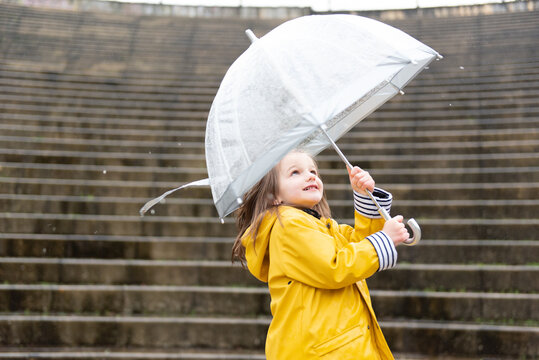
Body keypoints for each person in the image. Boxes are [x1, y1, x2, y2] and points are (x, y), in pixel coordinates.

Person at [233, 150, 409, 360]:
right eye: (295, 173)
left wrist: (365, 197)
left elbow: (358, 245)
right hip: (323, 349)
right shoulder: (288, 225)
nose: (310, 176)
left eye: (313, 171)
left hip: (338, 344)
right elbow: (334, 266)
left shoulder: (321, 225)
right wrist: (385, 240)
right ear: (274, 196)